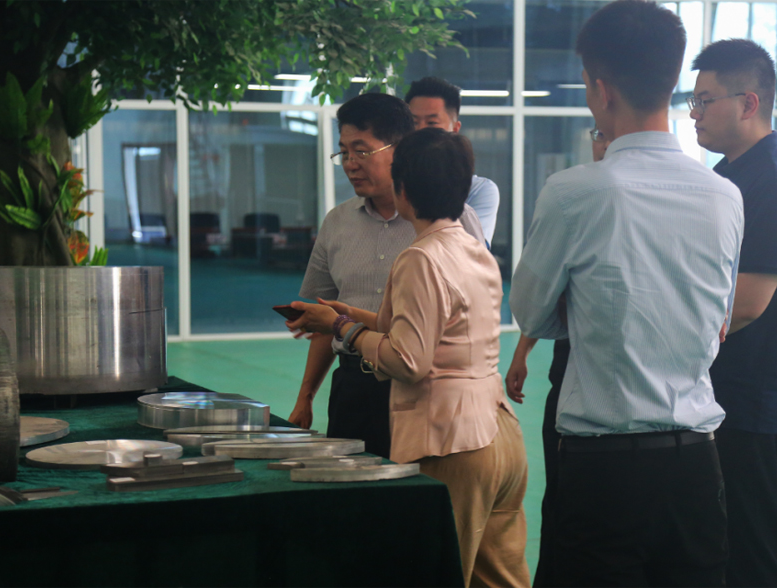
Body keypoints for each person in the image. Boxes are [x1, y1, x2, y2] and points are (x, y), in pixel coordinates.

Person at [511, 1, 745, 585]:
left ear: (600, 88)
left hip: (604, 470)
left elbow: (532, 314)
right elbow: (718, 318)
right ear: (672, 80)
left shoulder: (574, 192)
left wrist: (584, 308)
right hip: (697, 464)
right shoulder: (723, 195)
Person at [287, 128, 529, 588]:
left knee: (436, 571)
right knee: (499, 577)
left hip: (453, 440)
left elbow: (408, 359)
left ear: (402, 189)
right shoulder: (473, 248)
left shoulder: (420, 256)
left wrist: (343, 329)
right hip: (499, 431)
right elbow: (424, 329)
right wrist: (341, 315)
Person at [287, 93, 485, 459]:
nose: (350, 164)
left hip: (424, 392)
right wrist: (305, 397)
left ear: (400, 149)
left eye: (362, 151)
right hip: (353, 388)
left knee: (419, 491)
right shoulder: (337, 223)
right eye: (343, 152)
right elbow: (326, 318)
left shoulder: (453, 220)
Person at [689, 39, 777, 588]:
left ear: (748, 103)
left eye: (705, 100)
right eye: (692, 101)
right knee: (714, 549)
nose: (694, 113)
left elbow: (746, 304)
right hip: (716, 395)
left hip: (750, 403)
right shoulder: (728, 176)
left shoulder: (775, 183)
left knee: (754, 557)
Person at [504, 126, 610, 588]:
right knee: (561, 496)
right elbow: (544, 296)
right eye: (598, 134)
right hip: (569, 372)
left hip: (613, 393)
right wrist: (522, 351)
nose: (602, 143)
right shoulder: (576, 198)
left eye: (609, 134)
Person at [405, 76, 500, 243]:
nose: (420, 131)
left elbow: (472, 252)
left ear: (455, 129)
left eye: (432, 123)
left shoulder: (478, 191)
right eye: (414, 123)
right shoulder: (394, 186)